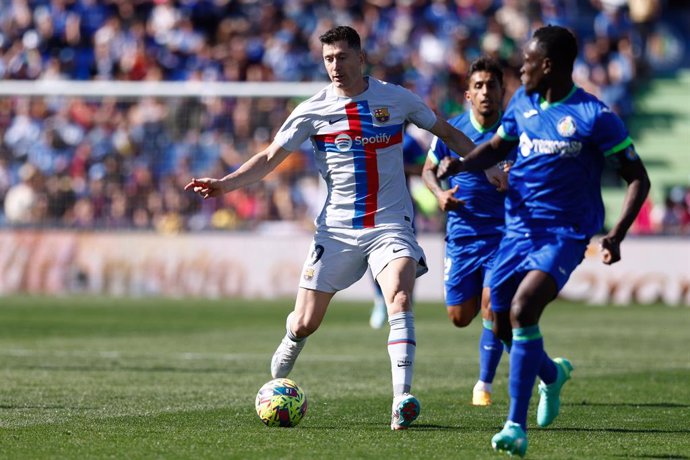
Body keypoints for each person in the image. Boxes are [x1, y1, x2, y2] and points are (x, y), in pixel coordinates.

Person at [185, 25, 506, 431]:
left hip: (390, 224)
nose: (334, 66)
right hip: (335, 231)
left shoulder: (396, 98)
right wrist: (224, 184)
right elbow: (269, 158)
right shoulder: (312, 110)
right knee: (304, 323)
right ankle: (280, 370)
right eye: (328, 59)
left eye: (341, 57)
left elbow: (447, 133)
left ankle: (400, 401)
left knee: (401, 298)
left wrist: (488, 164)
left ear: (360, 57)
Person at [437, 25, 650, 456]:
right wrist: (459, 165)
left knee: (522, 308)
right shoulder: (523, 103)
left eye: (528, 63)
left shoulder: (594, 116)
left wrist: (617, 234)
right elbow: (498, 146)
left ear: (548, 66)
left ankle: (515, 424)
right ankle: (552, 375)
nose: (521, 69)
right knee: (497, 321)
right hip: (516, 232)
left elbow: (637, 178)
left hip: (564, 234)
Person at [422, 56, 515, 407]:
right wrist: (439, 194)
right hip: (461, 237)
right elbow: (429, 172)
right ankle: (533, 356)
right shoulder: (453, 131)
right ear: (467, 94)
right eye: (478, 86)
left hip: (503, 236)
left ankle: (484, 385)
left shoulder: (513, 134)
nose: (485, 91)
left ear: (502, 92)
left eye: (491, 85)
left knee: (493, 305)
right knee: (460, 317)